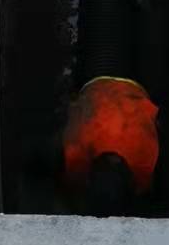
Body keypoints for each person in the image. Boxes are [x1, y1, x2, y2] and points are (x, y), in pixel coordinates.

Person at [62, 76, 160, 216]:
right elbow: (73, 110)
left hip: (135, 88)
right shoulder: (75, 149)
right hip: (92, 83)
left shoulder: (145, 156)